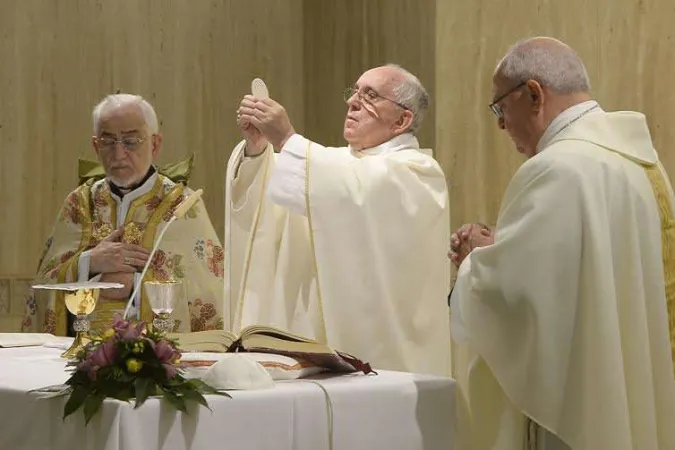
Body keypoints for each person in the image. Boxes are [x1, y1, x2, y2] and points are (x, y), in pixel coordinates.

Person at [449, 37, 675, 450]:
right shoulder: (641, 163)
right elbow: (594, 267)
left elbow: (517, 303)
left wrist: (474, 262)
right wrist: (508, 247)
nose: (500, 124)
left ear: (534, 94)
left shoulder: (558, 168)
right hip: (634, 388)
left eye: (501, 108)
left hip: (584, 404)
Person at [225, 64, 451, 375]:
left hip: (386, 365)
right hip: (308, 353)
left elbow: (355, 186)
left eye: (370, 95)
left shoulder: (417, 173)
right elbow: (281, 194)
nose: (353, 101)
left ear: (402, 119)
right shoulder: (336, 165)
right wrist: (258, 149)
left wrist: (287, 139)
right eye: (354, 92)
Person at [23, 94, 224, 335]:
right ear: (96, 146)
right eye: (108, 142)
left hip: (155, 358)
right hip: (82, 356)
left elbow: (207, 291)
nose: (118, 155)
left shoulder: (182, 205)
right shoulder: (79, 203)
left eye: (130, 141)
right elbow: (43, 286)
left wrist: (135, 286)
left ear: (155, 144)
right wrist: (88, 262)